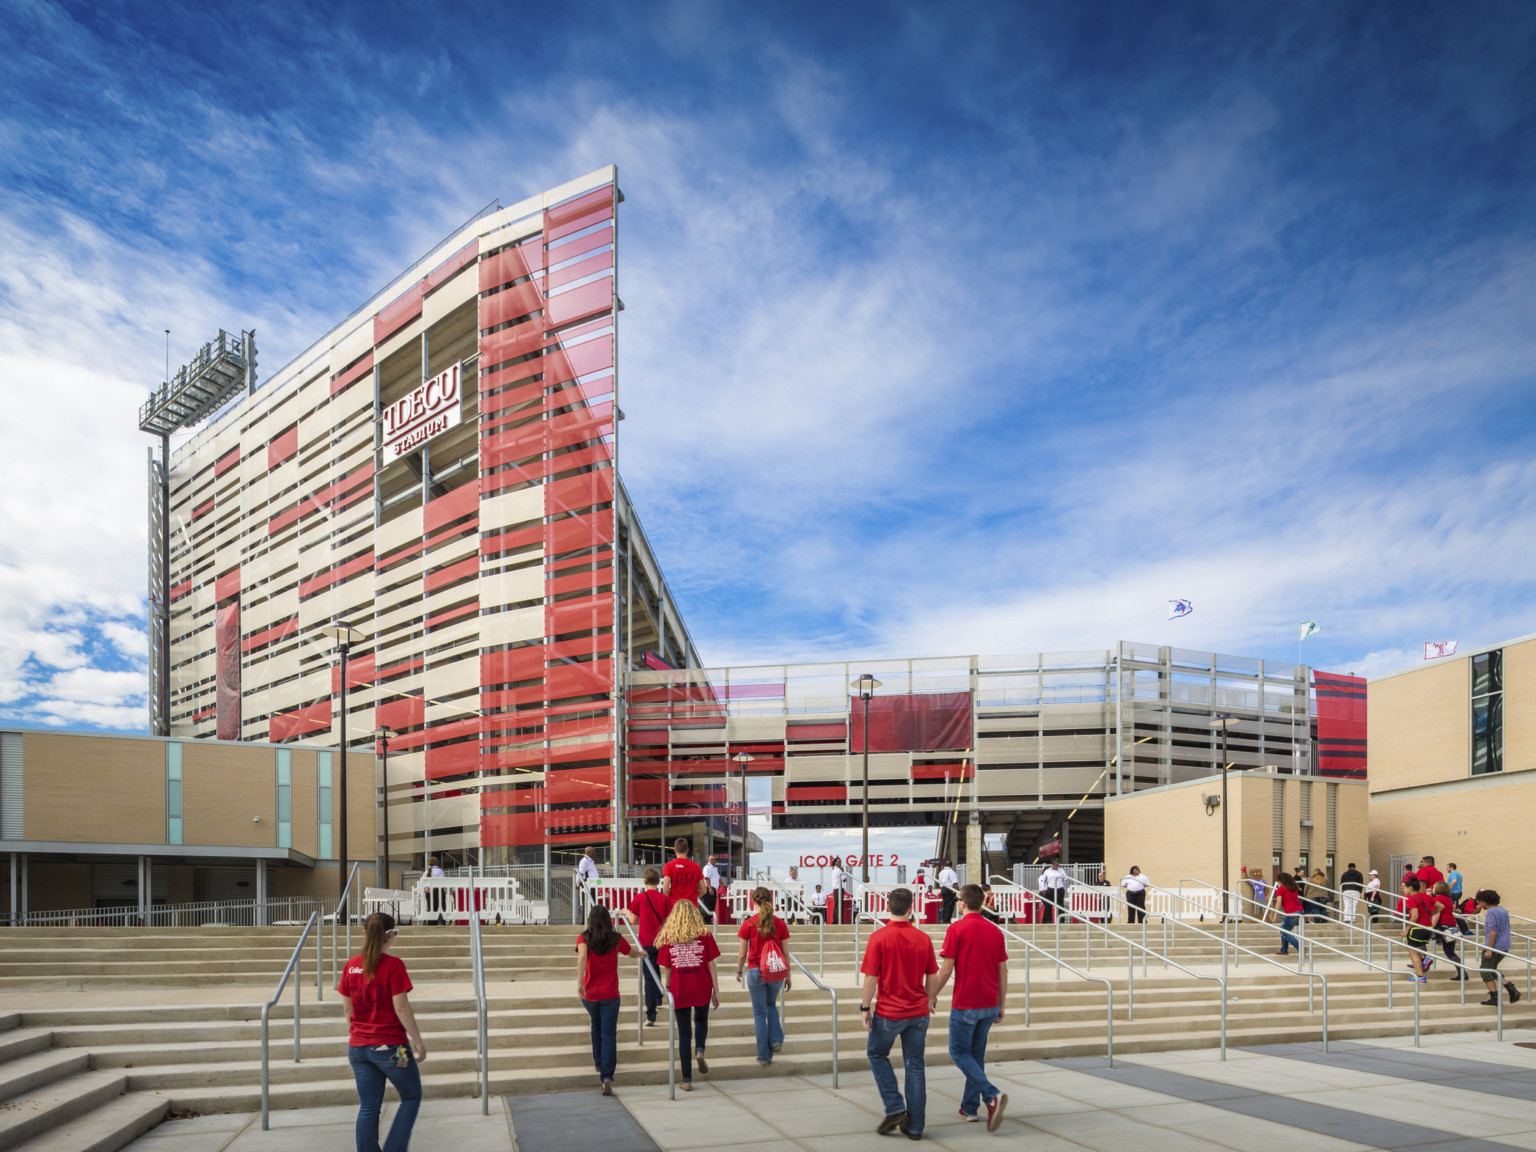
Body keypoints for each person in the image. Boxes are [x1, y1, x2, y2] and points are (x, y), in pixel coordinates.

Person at [338, 912, 426, 1152]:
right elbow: (401, 1006)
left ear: (364, 933)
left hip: (358, 1047)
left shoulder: (351, 966)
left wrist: (360, 1033)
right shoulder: (393, 965)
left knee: (368, 1107)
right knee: (411, 1097)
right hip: (391, 1046)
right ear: (390, 935)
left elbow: (348, 1010)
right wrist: (418, 1041)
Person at [860, 887, 939, 1141]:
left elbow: (871, 978)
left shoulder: (878, 938)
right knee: (915, 1066)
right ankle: (915, 1127)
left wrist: (865, 1007)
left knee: (876, 1053)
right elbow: (932, 974)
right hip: (918, 1012)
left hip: (890, 1012)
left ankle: (894, 1106)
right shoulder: (923, 938)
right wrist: (929, 999)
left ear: (888, 907)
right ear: (911, 908)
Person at [932, 884, 1009, 1132]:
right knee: (975, 1057)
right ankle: (969, 1107)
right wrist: (1001, 1003)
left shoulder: (957, 928)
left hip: (966, 1003)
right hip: (989, 1003)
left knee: (958, 1053)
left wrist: (929, 994)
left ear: (963, 903)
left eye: (958, 901)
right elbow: (1003, 971)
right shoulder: (995, 931)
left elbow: (946, 969)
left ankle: (991, 1095)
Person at [655, 898, 720, 1091]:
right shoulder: (705, 934)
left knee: (684, 1033)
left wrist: (667, 986)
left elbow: (667, 967)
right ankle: (699, 1050)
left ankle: (686, 1079)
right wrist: (716, 991)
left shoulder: (669, 935)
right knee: (701, 1021)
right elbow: (711, 965)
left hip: (679, 988)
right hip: (701, 986)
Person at [576, 904, 631, 1094]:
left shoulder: (584, 937)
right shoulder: (615, 939)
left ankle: (598, 1063)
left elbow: (582, 957)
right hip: (610, 995)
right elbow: (631, 953)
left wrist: (579, 982)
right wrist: (642, 953)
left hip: (590, 994)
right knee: (609, 1033)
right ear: (608, 920)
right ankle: (607, 1076)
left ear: (590, 920)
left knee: (595, 1025)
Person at [736, 887, 793, 1065]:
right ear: (770, 900)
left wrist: (739, 970)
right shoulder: (780, 924)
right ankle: (775, 1040)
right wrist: (788, 975)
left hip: (754, 971)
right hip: (775, 971)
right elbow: (785, 952)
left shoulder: (748, 924)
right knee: (771, 1005)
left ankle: (764, 1056)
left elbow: (742, 954)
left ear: (753, 902)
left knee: (759, 1013)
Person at [618, 867, 669, 1026]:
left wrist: (625, 911)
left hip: (646, 942)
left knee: (649, 977)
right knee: (657, 969)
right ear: (659, 881)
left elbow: (633, 921)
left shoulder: (640, 897)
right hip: (662, 941)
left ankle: (651, 1014)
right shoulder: (665, 899)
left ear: (644, 881)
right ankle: (659, 998)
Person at [1474, 889, 1523, 1007]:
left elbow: (1492, 932)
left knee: (1485, 971)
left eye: (1479, 902)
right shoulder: (1503, 910)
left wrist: (1489, 949)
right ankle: (1510, 988)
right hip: (1505, 945)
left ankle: (1495, 997)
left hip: (1494, 946)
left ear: (1484, 901)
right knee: (1492, 968)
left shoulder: (1491, 912)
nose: (1479, 905)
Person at [1400, 876, 1434, 981]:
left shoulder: (1412, 899)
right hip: (1428, 927)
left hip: (1417, 928)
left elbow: (1414, 916)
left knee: (1412, 951)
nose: (1403, 890)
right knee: (1410, 946)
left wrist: (1406, 930)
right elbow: (1440, 906)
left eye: (1404, 888)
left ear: (1410, 888)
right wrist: (1432, 915)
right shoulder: (1427, 897)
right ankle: (1424, 958)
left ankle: (1420, 976)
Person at [1429, 881, 1464, 980]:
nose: (1432, 889)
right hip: (1451, 926)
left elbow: (1437, 914)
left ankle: (1422, 962)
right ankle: (1462, 972)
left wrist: (1431, 927)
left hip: (1442, 926)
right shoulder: (1448, 899)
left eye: (1433, 888)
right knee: (1450, 951)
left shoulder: (1437, 899)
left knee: (1419, 940)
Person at [662, 837, 704, 907]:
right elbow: (703, 889)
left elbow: (665, 890)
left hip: (675, 907)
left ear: (675, 850)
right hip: (692, 907)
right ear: (687, 850)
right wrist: (693, 896)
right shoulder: (696, 867)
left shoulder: (669, 866)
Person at [1274, 873, 1303, 955]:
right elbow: (1296, 899)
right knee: (1285, 929)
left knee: (1284, 932)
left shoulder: (1281, 889)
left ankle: (1301, 948)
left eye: (1278, 881)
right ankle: (1284, 950)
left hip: (1291, 912)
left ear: (1281, 881)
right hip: (1300, 910)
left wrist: (1275, 915)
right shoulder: (1294, 888)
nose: (1277, 882)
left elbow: (1278, 902)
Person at [1039, 860, 1068, 925]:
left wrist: (1061, 885)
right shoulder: (1047, 871)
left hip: (1059, 889)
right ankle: (1048, 920)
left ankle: (1061, 920)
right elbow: (1043, 881)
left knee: (1060, 905)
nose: (1057, 867)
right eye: (1056, 865)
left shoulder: (1061, 870)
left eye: (1058, 865)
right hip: (1050, 889)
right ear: (1053, 864)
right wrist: (1043, 889)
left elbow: (1065, 879)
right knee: (1049, 905)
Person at [425, 856, 445, 925]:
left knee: (431, 907)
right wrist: (433, 888)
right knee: (441, 907)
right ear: (437, 863)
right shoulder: (439, 871)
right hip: (438, 892)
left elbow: (423, 883)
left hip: (428, 893)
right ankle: (441, 922)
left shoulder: (426, 872)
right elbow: (442, 882)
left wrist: (427, 889)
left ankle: (431, 922)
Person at [700, 856, 722, 923]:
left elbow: (718, 878)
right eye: (711, 859)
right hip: (709, 888)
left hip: (714, 889)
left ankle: (709, 920)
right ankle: (705, 920)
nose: (713, 860)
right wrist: (709, 888)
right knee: (707, 904)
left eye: (714, 859)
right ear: (708, 860)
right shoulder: (707, 868)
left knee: (712, 905)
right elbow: (706, 878)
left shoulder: (715, 869)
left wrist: (723, 885)